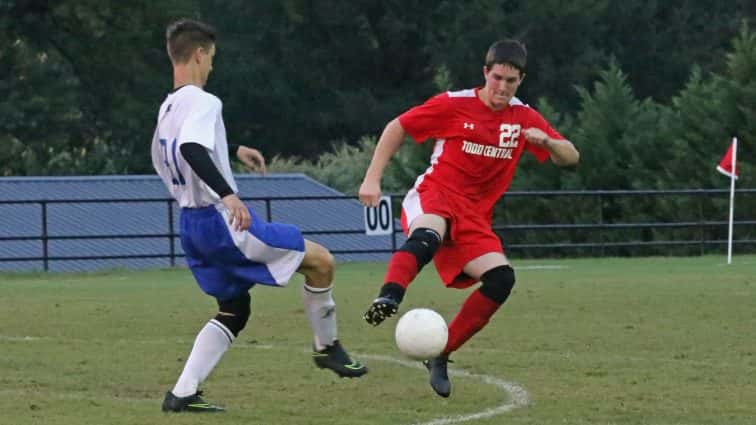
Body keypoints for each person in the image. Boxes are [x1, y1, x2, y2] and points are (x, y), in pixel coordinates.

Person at [152, 19, 367, 413]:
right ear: (199, 54)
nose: (212, 66)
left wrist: (231, 150)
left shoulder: (169, 107)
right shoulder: (204, 100)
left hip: (191, 225)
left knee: (234, 308)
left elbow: (184, 147)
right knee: (321, 262)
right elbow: (191, 149)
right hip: (221, 223)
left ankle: (181, 393)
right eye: (211, 58)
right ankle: (327, 348)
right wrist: (229, 194)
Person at [359, 39, 579, 398]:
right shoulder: (454, 104)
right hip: (436, 194)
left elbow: (571, 158)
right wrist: (372, 178)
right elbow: (397, 126)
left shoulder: (524, 117)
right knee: (428, 236)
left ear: (521, 80)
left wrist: (549, 142)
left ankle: (442, 353)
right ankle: (389, 295)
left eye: (511, 81)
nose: (502, 88)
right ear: (485, 73)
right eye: (497, 78)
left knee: (501, 279)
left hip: (474, 217)